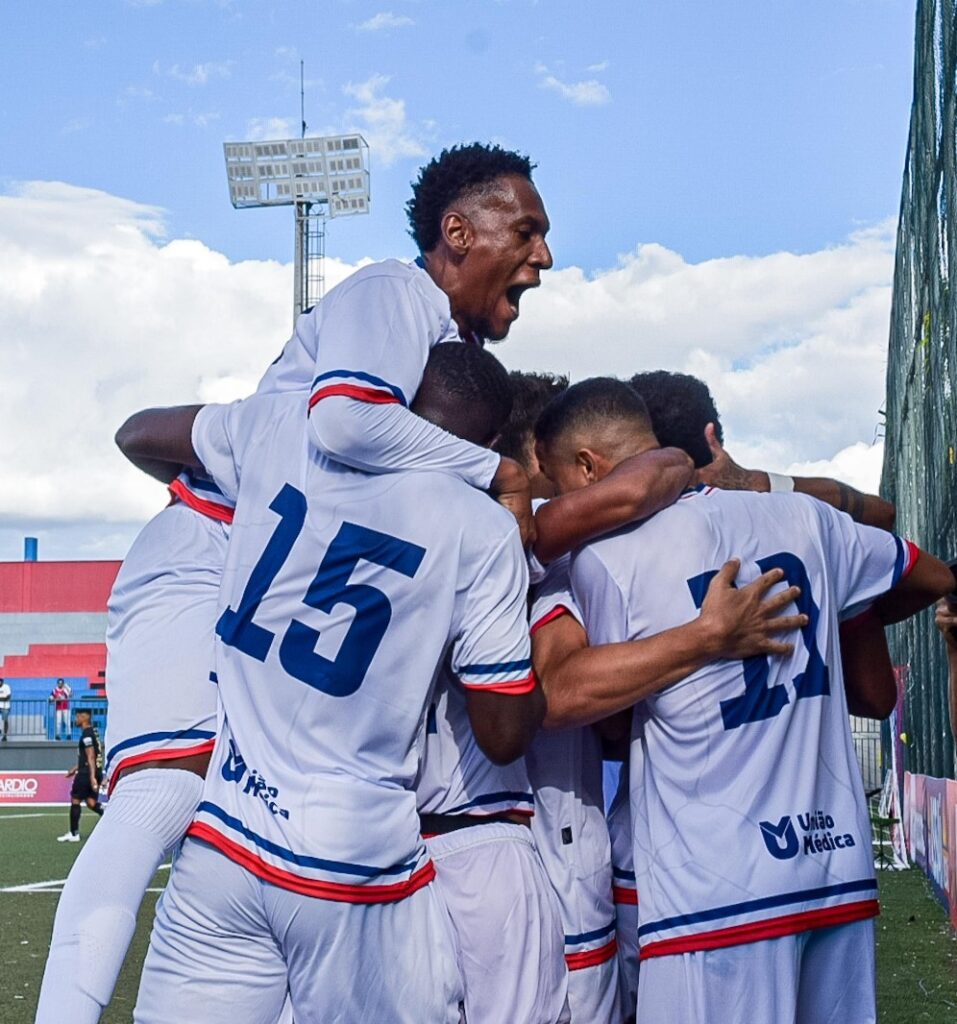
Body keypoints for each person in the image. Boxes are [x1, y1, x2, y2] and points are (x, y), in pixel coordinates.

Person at [129, 345, 545, 1024]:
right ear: (491, 442)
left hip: (224, 841)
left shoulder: (282, 430)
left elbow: (138, 433)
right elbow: (501, 733)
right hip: (350, 863)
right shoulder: (481, 528)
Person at [533, 377, 953, 1024]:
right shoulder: (805, 519)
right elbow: (931, 575)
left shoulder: (608, 555)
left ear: (588, 466)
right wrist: (834, 612)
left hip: (714, 893)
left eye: (558, 481)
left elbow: (599, 717)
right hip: (833, 870)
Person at [58, 709, 104, 843]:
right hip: (94, 771)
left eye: (78, 717)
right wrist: (75, 768)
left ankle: (74, 833)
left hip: (87, 773)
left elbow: (91, 756)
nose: (76, 719)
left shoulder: (87, 735)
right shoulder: (93, 733)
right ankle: (108, 816)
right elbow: (91, 756)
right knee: (91, 802)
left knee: (75, 800)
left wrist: (92, 777)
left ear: (85, 717)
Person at [0, 677, 11, 742]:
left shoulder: (6, 687)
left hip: (5, 707)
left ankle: (5, 735)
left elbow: (8, 697)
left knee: (5, 720)